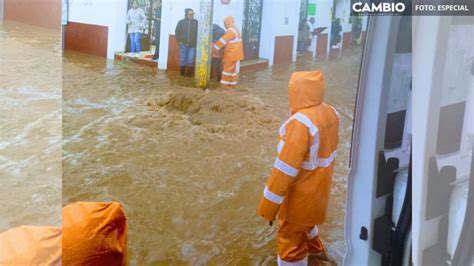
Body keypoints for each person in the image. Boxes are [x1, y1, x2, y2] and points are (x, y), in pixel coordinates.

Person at [257, 70, 340, 265]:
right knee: (308, 226)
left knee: (290, 242)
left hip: (300, 198)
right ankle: (319, 257)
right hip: (320, 193)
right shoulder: (331, 112)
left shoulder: (300, 123)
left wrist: (268, 208)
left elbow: (284, 170)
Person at [214, 16, 244, 86]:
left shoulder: (230, 31)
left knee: (226, 69)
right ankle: (232, 83)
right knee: (232, 69)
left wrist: (215, 48)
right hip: (236, 54)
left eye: (224, 23)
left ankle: (224, 84)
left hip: (231, 53)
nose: (224, 25)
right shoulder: (235, 29)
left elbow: (223, 41)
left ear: (227, 23)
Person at [175, 8, 198, 76]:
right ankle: (182, 75)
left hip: (192, 45)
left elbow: (198, 33)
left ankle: (188, 76)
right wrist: (179, 41)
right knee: (182, 60)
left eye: (193, 14)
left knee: (190, 61)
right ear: (186, 14)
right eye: (190, 14)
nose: (192, 15)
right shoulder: (181, 22)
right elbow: (177, 32)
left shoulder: (196, 22)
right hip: (183, 45)